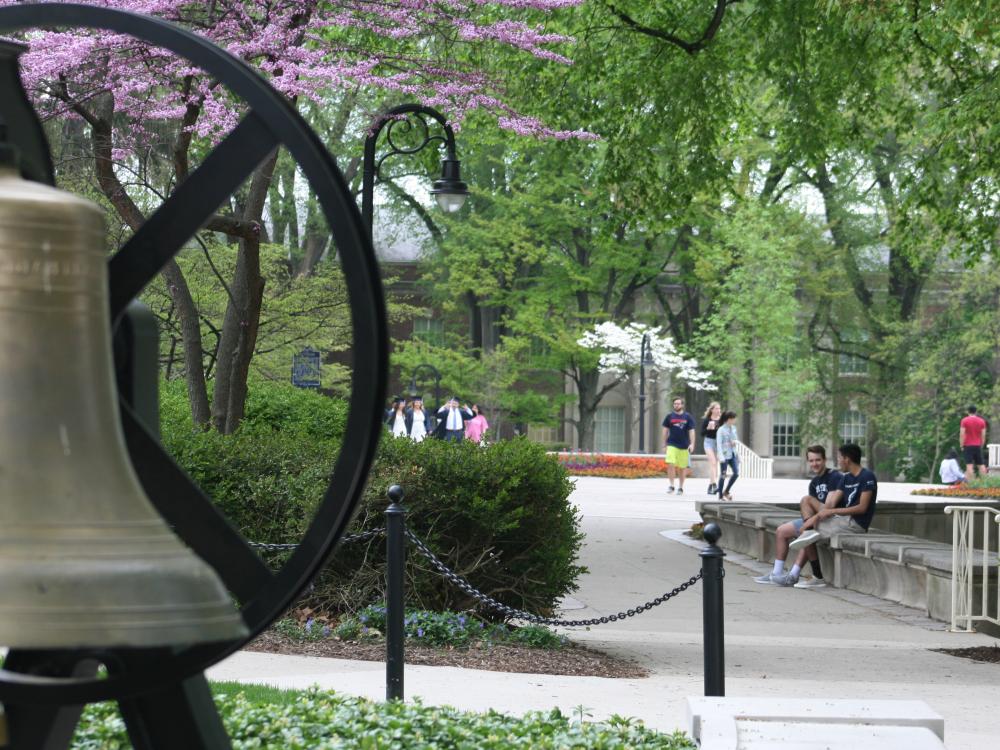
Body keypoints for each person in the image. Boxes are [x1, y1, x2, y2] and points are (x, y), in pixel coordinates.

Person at [754, 445, 842, 588]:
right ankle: (776, 574)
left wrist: (809, 522)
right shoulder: (814, 483)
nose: (814, 464)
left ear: (825, 460)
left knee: (805, 508)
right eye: (811, 461)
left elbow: (829, 506)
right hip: (814, 519)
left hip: (831, 519)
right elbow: (811, 510)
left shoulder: (834, 476)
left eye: (818, 460)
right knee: (782, 531)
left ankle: (793, 575)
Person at [786, 442, 877, 563]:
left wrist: (824, 515)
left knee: (808, 534)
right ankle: (814, 574)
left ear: (847, 459)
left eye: (839, 458)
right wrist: (815, 517)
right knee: (808, 529)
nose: (838, 461)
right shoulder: (845, 478)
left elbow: (862, 508)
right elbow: (831, 504)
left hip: (856, 524)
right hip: (843, 520)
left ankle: (816, 576)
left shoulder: (867, 476)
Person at [662, 397, 696, 495]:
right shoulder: (669, 416)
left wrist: (692, 444)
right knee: (670, 464)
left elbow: (692, 431)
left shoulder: (688, 417)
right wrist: (664, 444)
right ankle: (672, 485)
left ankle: (680, 487)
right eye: (675, 404)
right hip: (672, 444)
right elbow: (665, 430)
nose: (676, 405)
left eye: (678, 403)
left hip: (684, 445)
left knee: (682, 468)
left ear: (682, 405)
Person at [960, 406, 988, 481]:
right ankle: (986, 482)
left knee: (969, 465)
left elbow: (962, 434)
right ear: (976, 412)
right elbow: (983, 435)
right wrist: (981, 445)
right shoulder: (982, 421)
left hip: (968, 446)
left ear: (968, 411)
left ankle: (972, 483)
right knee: (981, 465)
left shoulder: (964, 420)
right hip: (978, 445)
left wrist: (961, 445)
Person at [715, 411, 739, 501]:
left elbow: (736, 439)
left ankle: (727, 491)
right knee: (723, 475)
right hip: (724, 456)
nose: (735, 421)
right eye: (734, 419)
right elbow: (718, 444)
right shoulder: (721, 430)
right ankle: (720, 495)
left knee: (736, 473)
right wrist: (721, 457)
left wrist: (734, 442)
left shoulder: (733, 428)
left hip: (732, 454)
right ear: (729, 419)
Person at [702, 402, 722, 495]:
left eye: (719, 408)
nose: (718, 410)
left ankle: (711, 485)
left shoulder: (722, 420)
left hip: (718, 443)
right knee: (713, 462)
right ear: (712, 410)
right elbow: (702, 433)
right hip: (708, 442)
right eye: (717, 408)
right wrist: (708, 429)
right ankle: (714, 484)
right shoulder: (707, 420)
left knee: (715, 464)